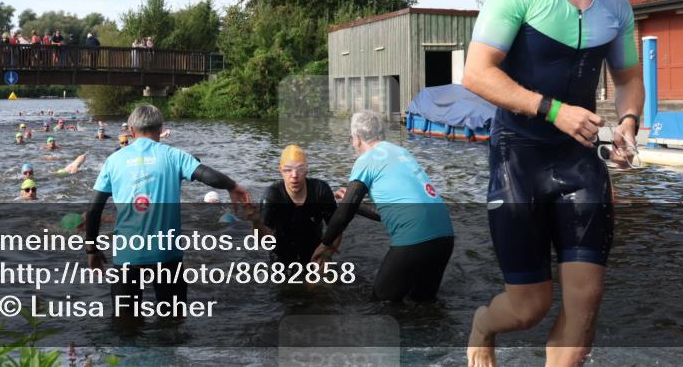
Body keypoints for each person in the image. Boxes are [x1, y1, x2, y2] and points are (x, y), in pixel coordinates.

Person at [462, 0, 644, 367]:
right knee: (529, 308)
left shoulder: (617, 4)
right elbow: (477, 74)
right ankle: (483, 324)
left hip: (580, 160)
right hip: (518, 155)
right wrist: (553, 110)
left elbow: (628, 80)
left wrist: (627, 124)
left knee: (585, 307)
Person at [84, 104, 251, 323]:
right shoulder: (174, 156)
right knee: (173, 322)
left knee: (125, 323)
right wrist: (232, 186)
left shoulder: (113, 161)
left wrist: (91, 249)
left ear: (132, 131)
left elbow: (94, 209)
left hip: (127, 256)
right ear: (160, 128)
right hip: (167, 256)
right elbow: (208, 175)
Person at [311, 110, 454, 302]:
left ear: (356, 138)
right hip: (444, 236)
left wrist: (325, 243)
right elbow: (388, 214)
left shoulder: (366, 160)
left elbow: (343, 215)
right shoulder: (402, 152)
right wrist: (354, 204)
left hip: (414, 239)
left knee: (381, 303)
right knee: (422, 303)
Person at [250, 145, 378, 266]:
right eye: (288, 170)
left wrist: (326, 255)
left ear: (306, 169)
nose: (294, 175)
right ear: (281, 170)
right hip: (281, 259)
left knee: (322, 287)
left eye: (300, 169)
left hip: (316, 256)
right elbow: (263, 242)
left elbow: (337, 228)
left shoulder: (320, 191)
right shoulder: (272, 196)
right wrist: (256, 222)